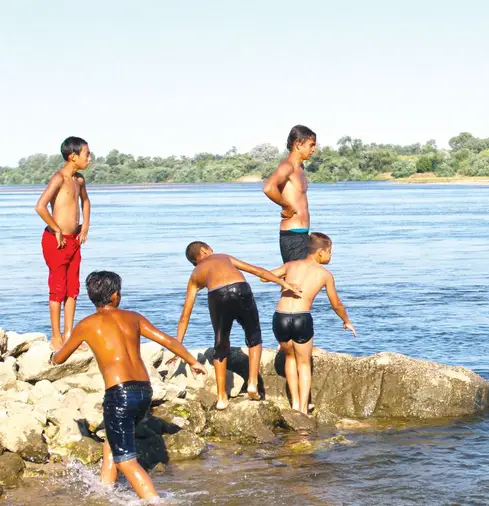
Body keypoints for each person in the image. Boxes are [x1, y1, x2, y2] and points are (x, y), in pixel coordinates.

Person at [51, 271, 207, 501]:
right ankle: (104, 488)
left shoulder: (86, 325)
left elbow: (61, 358)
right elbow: (167, 340)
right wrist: (192, 361)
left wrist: (52, 357)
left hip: (119, 393)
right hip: (144, 390)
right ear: (115, 296)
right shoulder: (133, 317)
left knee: (126, 462)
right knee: (114, 438)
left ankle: (155, 502)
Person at [174, 241, 301, 410]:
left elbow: (185, 315)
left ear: (194, 261)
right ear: (206, 250)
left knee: (221, 344)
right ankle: (253, 383)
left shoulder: (195, 275)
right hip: (240, 289)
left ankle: (221, 397)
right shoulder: (223, 257)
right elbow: (257, 271)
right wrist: (285, 284)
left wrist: (177, 344)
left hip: (217, 296)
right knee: (253, 335)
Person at [266, 232, 355, 415]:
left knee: (290, 358)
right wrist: (346, 321)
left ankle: (294, 404)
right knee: (304, 363)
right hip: (301, 317)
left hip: (280, 316)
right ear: (321, 252)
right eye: (330, 251)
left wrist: (285, 284)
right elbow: (336, 304)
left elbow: (263, 276)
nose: (331, 256)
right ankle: (303, 408)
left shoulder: (291, 265)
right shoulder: (325, 274)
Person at [35, 136, 92, 350]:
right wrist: (56, 228)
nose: (90, 158)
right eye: (87, 154)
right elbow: (40, 206)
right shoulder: (59, 178)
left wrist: (85, 225)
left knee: (72, 288)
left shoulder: (79, 180)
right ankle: (56, 335)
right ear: (73, 156)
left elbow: (85, 202)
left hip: (74, 240)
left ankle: (70, 333)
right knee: (57, 287)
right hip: (56, 241)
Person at [263, 125, 318, 262]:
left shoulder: (300, 168)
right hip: (293, 234)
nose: (313, 149)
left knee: (305, 280)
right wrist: (286, 207)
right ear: (298, 144)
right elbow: (269, 188)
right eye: (311, 145)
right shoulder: (287, 166)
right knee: (295, 280)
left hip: (303, 233)